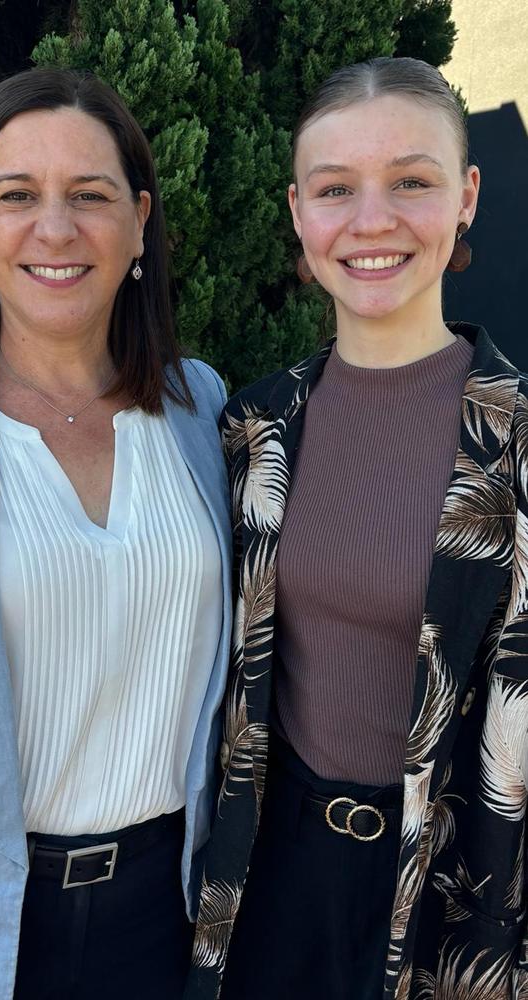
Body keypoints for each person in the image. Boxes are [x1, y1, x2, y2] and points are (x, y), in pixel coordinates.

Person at [0, 68, 232, 1000]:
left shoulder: (206, 413)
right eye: (18, 195)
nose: (56, 227)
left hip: (167, 921)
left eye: (90, 195)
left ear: (140, 221)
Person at [186, 56, 528, 1000]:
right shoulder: (253, 429)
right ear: (299, 212)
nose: (372, 221)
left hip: (454, 897)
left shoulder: (517, 447)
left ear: (465, 197)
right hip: (267, 876)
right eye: (337, 190)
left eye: (411, 183)